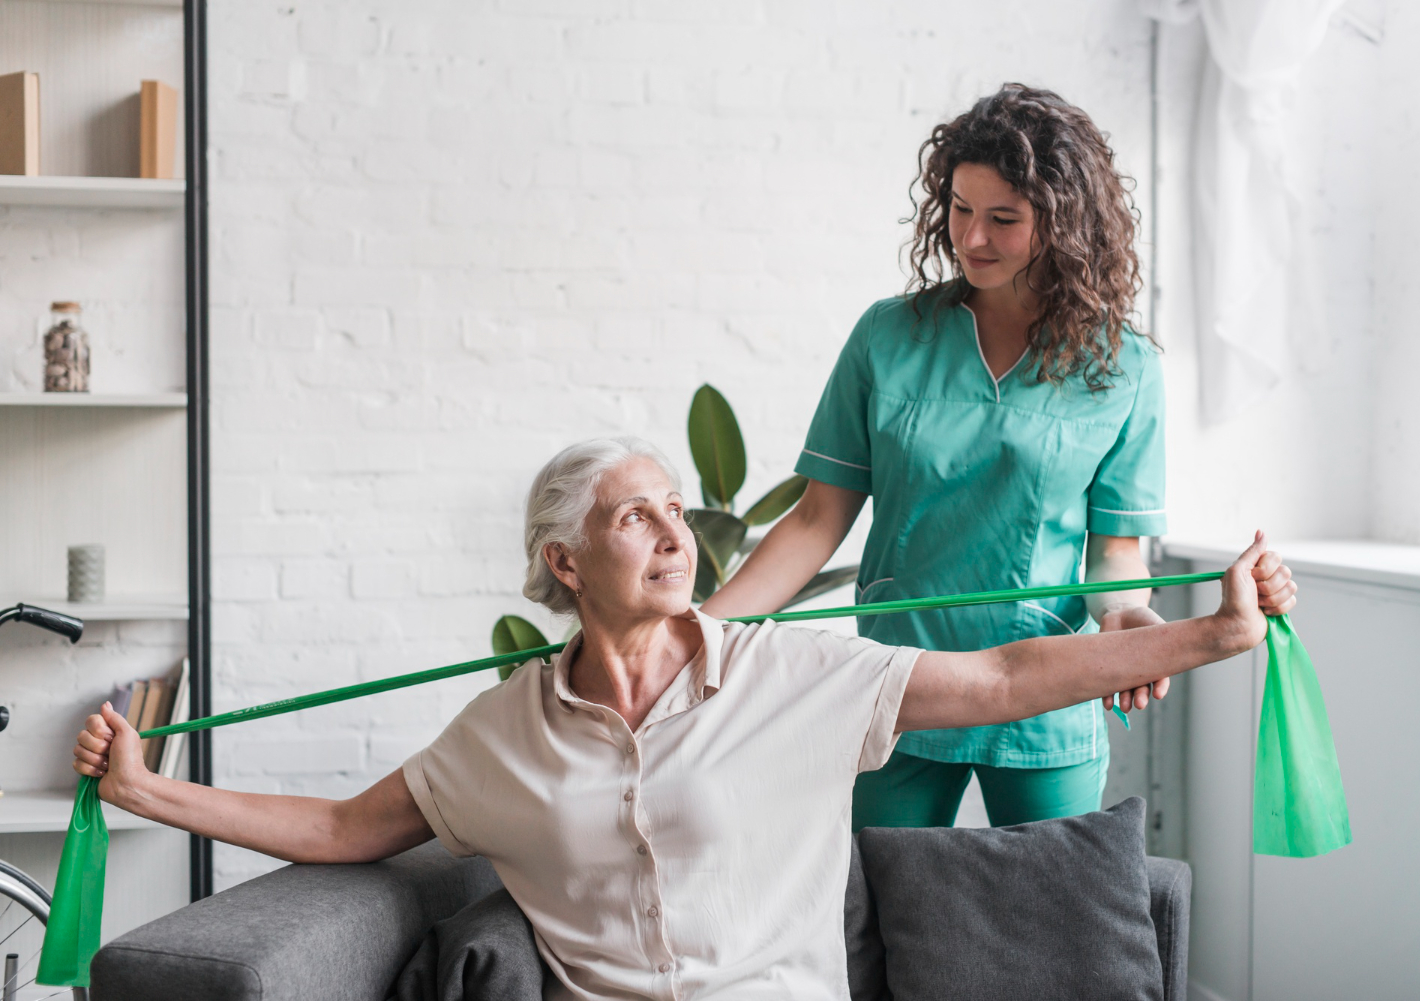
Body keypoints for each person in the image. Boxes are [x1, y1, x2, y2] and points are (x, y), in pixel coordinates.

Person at [74, 438, 1295, 1001]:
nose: (671, 530)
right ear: (564, 561)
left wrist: (1211, 631)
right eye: (632, 515)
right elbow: (346, 825)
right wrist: (145, 787)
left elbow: (998, 679)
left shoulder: (782, 673)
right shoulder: (502, 733)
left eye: (674, 506)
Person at [702, 83, 1272, 830]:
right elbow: (816, 520)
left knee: (1052, 914)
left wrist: (1126, 613)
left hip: (1045, 695)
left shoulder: (1124, 368)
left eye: (1003, 218)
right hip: (900, 687)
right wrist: (696, 632)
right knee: (881, 915)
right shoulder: (887, 337)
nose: (971, 237)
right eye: (961, 209)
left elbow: (1115, 552)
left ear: (1066, 225)